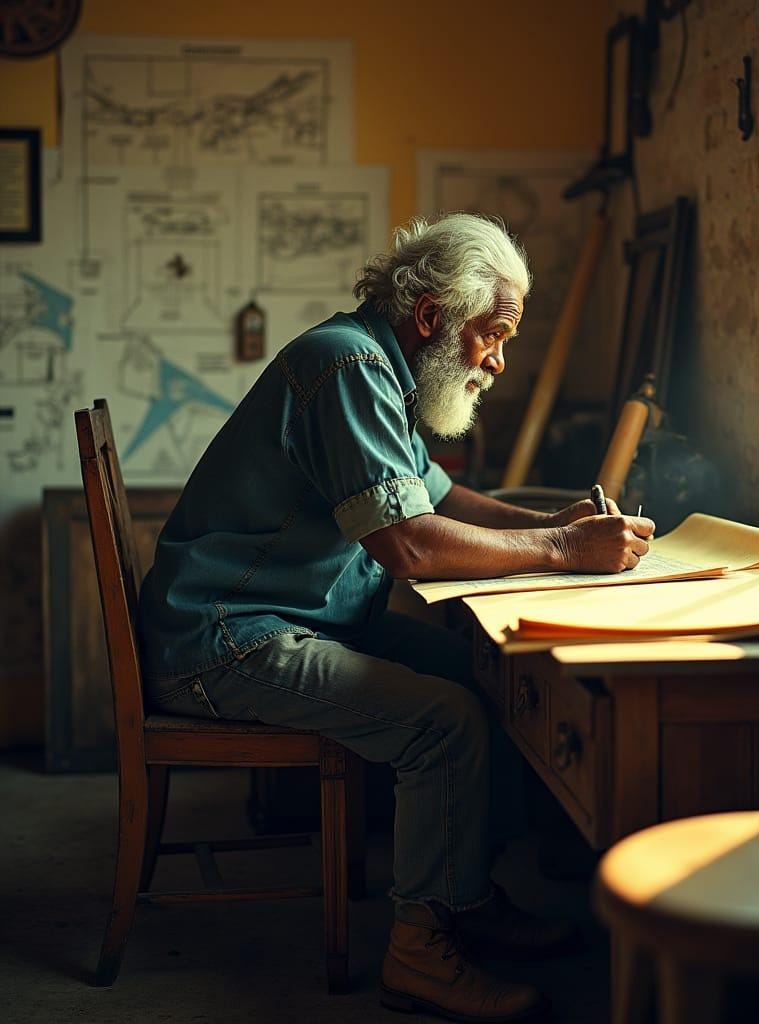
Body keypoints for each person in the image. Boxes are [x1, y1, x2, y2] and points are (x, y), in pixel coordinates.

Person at [137, 212, 655, 1022]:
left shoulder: (381, 365)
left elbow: (438, 497)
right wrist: (561, 549)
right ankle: (418, 950)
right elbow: (408, 544)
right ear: (432, 316)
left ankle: (465, 899)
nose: (498, 360)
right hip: (225, 637)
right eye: (493, 334)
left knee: (481, 675)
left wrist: (550, 522)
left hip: (297, 617)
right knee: (442, 722)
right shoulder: (346, 366)